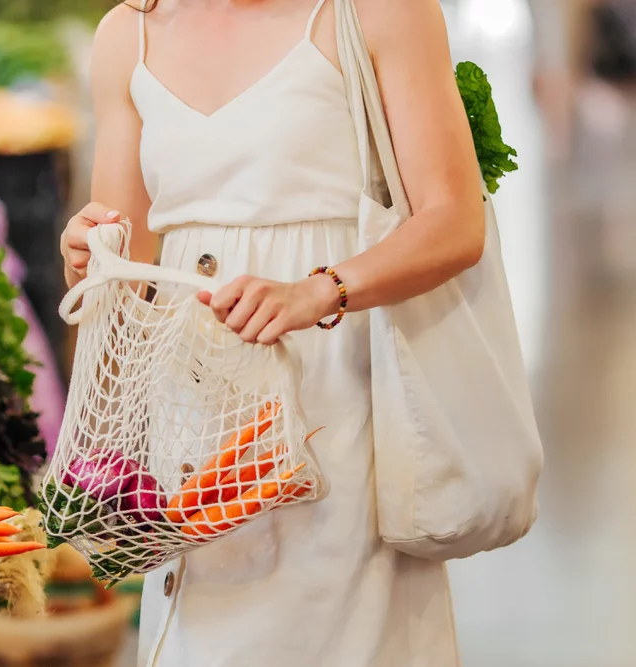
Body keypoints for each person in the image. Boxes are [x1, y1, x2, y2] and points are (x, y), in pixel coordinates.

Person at [60, 0, 484, 665]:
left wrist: (322, 288)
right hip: (196, 434)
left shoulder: (379, 13)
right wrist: (86, 251)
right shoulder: (127, 35)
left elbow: (456, 221)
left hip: (339, 409)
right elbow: (125, 265)